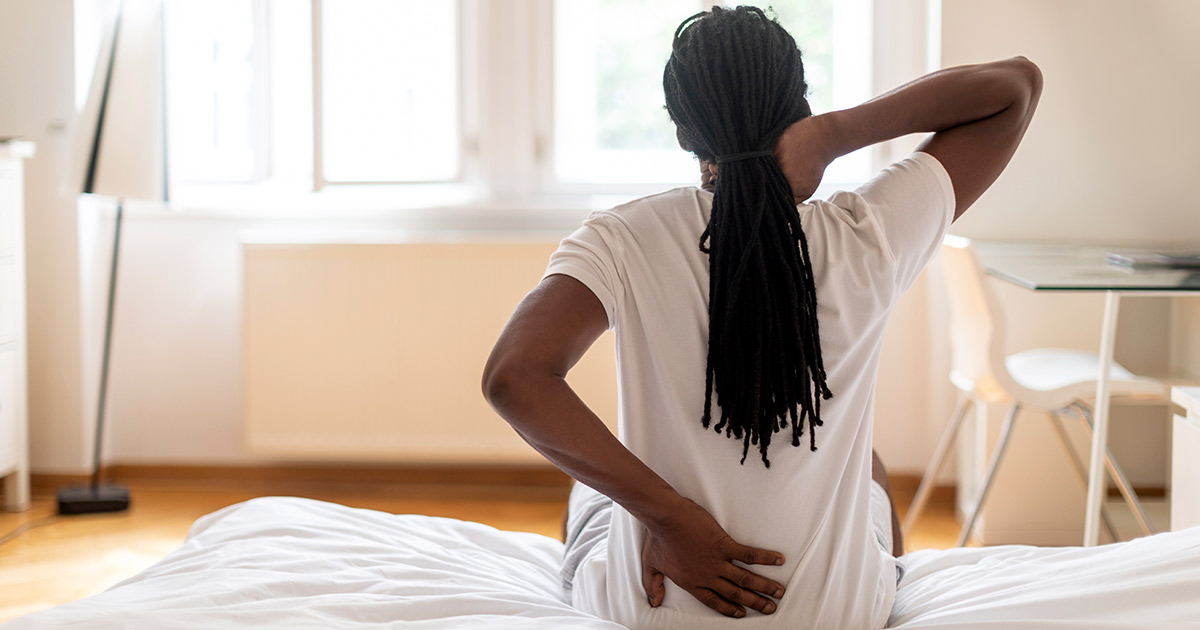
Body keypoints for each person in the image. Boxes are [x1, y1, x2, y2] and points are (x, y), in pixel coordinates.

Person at [482, 6, 1041, 629]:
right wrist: (835, 133)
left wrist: (668, 518)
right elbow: (1015, 86)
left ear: (683, 132)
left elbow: (515, 378)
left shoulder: (623, 237)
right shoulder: (870, 235)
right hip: (839, 616)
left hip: (655, 612)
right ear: (800, 107)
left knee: (590, 486)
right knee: (868, 466)